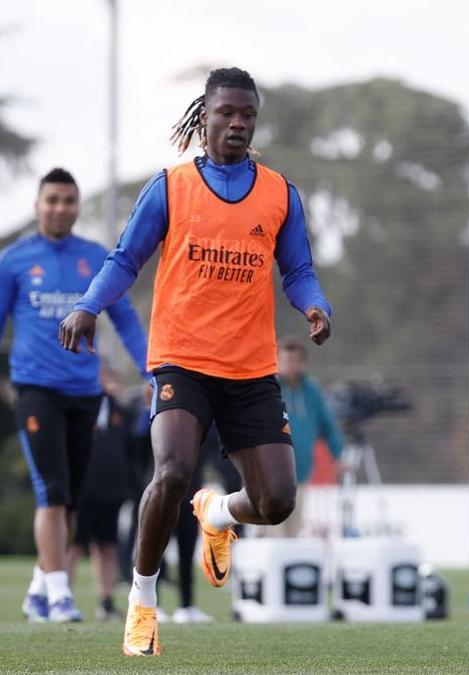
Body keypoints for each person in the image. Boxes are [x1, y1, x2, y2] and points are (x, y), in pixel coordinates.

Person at [59, 66, 332, 656]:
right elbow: (125, 259)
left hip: (251, 368)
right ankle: (142, 601)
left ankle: (219, 513)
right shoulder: (170, 186)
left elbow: (299, 270)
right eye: (226, 113)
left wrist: (315, 306)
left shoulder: (280, 193)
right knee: (173, 471)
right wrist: (87, 306)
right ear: (203, 118)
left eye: (247, 115)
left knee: (277, 502)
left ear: (256, 121)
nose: (237, 123)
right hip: (182, 360)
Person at [1, 168, 148, 623]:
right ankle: (60, 594)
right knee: (52, 489)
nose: (60, 208)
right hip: (35, 390)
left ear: (77, 206)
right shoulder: (14, 261)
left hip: (86, 392)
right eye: (52, 200)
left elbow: (123, 319)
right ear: (37, 205)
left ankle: (38, 587)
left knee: (70, 495)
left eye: (68, 200)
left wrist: (151, 370)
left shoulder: (97, 259)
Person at [67, 367, 141, 621]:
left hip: (112, 491)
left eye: (113, 379)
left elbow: (133, 449)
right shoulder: (80, 408)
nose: (110, 384)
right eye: (105, 379)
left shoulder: (121, 413)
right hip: (84, 489)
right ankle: (63, 599)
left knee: (106, 546)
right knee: (74, 545)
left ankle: (106, 602)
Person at [273, 336, 344, 537]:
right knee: (273, 534)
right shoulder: (270, 389)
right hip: (271, 476)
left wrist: (338, 455)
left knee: (293, 535)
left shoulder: (312, 391)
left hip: (301, 474)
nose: (292, 366)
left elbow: (328, 425)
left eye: (296, 361)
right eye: (287, 361)